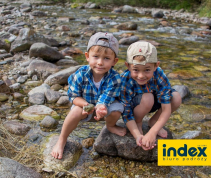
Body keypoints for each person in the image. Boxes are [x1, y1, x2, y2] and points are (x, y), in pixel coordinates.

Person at [51, 32, 126, 160]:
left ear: (115, 61)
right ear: (87, 56)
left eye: (106, 58)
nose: (100, 62)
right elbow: (73, 96)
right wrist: (85, 105)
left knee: (118, 109)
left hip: (105, 107)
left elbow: (106, 97)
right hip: (85, 107)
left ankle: (110, 125)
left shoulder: (115, 78)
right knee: (74, 112)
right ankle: (62, 139)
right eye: (96, 56)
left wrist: (101, 107)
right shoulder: (80, 74)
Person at [120, 41, 181, 150]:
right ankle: (138, 122)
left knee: (176, 98)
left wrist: (153, 132)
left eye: (147, 70)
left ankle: (153, 122)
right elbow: (126, 112)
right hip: (137, 106)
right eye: (135, 70)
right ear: (128, 66)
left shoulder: (159, 74)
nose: (141, 75)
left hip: (154, 101)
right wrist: (137, 135)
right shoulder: (125, 79)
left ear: (156, 66)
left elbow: (166, 108)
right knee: (147, 97)